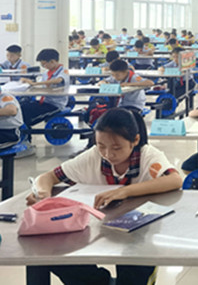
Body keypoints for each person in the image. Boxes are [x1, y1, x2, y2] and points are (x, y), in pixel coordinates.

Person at [26, 109, 182, 285]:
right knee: (53, 255)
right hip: (101, 227)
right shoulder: (94, 156)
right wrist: (43, 195)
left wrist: (124, 191)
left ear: (135, 140)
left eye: (116, 147)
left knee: (133, 267)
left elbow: (175, 180)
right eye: (101, 146)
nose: (108, 154)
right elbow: (48, 177)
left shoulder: (147, 155)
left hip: (141, 233)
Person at [19, 49, 70, 146]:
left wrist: (36, 84)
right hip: (44, 102)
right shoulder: (46, 73)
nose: (44, 67)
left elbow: (58, 80)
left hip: (55, 105)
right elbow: (43, 86)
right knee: (22, 108)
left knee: (27, 117)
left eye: (44, 64)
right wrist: (29, 85)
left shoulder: (63, 71)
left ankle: (26, 140)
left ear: (53, 61)